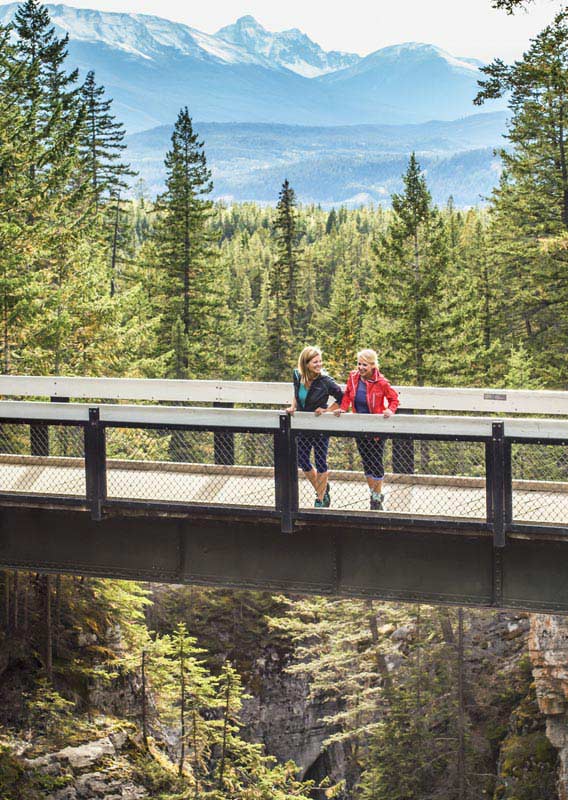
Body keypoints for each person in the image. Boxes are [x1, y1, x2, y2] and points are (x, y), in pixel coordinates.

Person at [335, 349, 399, 510]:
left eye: (364, 364)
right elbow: (348, 395)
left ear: (372, 365)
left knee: (376, 461)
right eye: (359, 364)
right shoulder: (353, 377)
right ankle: (373, 493)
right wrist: (343, 408)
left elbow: (394, 399)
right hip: (359, 425)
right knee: (366, 461)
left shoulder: (381, 382)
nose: (361, 368)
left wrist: (390, 410)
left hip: (376, 427)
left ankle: (377, 496)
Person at [286, 346, 343, 508]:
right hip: (303, 426)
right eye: (315, 362)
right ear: (305, 363)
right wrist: (293, 407)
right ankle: (322, 488)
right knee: (303, 461)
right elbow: (297, 394)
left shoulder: (326, 381)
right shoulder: (297, 375)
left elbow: (343, 399)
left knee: (320, 461)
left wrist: (327, 410)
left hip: (320, 426)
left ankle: (321, 497)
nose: (319, 365)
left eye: (320, 361)